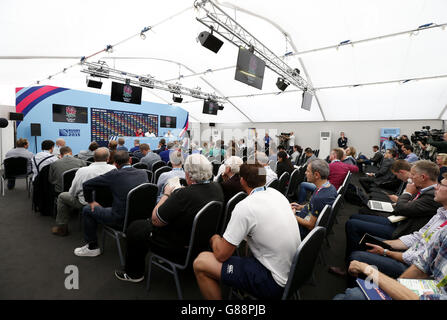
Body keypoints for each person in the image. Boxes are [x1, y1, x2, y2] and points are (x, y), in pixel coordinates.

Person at [192, 163, 301, 300]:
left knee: (201, 262)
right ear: (264, 178)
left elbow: (221, 255)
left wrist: (214, 238)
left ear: (242, 180)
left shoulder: (245, 207)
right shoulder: (277, 194)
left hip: (273, 282)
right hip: (292, 273)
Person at [114, 154, 224, 282]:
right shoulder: (217, 188)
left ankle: (134, 274)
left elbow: (156, 220)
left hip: (177, 246)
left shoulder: (183, 195)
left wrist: (167, 193)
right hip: (199, 241)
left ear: (187, 174)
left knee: (135, 228)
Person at [345, 174, 447, 280]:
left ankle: (355, 284)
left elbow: (420, 261)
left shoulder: (431, 197)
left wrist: (386, 251)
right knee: (366, 242)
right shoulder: (441, 213)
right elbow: (418, 237)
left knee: (357, 256)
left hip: (416, 269)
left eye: (441, 185)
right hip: (410, 248)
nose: (436, 187)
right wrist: (386, 244)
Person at [334, 226, 447, 300]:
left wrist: (368, 269)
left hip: (429, 293)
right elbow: (421, 266)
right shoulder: (445, 232)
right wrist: (395, 288)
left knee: (351, 295)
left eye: (442, 186)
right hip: (427, 285)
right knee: (350, 295)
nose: (436, 187)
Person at [74, 151, 148, 257]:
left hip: (120, 219)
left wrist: (91, 201)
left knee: (87, 209)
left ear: (115, 164)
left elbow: (86, 184)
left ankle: (92, 247)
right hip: (140, 218)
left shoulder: (114, 174)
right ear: (130, 160)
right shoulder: (143, 173)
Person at [52, 148, 116, 236]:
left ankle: (62, 228)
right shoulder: (114, 169)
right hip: (109, 203)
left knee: (62, 196)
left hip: (86, 204)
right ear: (108, 158)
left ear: (94, 158)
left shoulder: (82, 171)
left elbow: (73, 192)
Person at [291, 159, 337, 239]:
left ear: (316, 175)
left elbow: (310, 225)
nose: (305, 173)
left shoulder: (319, 198)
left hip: (300, 230)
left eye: (308, 171)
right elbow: (313, 205)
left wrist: (292, 216)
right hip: (304, 215)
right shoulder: (329, 187)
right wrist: (301, 207)